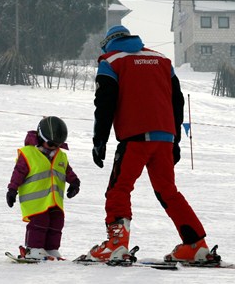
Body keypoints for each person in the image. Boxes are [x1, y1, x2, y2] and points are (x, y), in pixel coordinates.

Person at [86, 25, 218, 264]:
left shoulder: (111, 61)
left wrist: (99, 140)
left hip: (135, 138)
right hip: (164, 139)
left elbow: (104, 104)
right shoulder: (162, 60)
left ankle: (116, 245)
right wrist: (175, 139)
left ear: (108, 43)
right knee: (168, 191)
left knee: (119, 189)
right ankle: (196, 245)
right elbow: (177, 102)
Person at [5, 116, 80, 260]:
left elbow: (67, 171)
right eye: (51, 143)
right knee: (40, 222)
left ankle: (51, 249)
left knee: (57, 222)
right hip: (35, 200)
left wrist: (75, 183)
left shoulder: (61, 156)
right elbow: (18, 173)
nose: (54, 147)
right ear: (40, 137)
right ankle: (34, 248)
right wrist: (12, 190)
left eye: (58, 144)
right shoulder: (28, 154)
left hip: (54, 199)